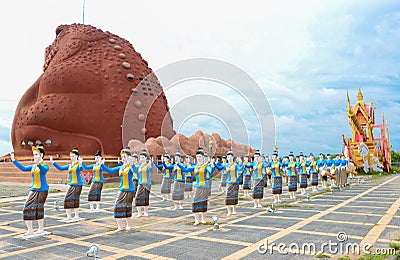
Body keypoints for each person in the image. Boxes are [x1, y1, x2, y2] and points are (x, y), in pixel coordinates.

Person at [10, 144, 49, 236]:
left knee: (39, 208)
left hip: (42, 190)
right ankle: (30, 230)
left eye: (36, 155)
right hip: (34, 189)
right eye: (34, 154)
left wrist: (39, 163)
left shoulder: (45, 166)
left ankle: (41, 229)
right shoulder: (33, 166)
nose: (34, 156)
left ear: (41, 156)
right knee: (27, 208)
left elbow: (43, 170)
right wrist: (14, 160)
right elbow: (23, 168)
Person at [102, 147, 137, 231]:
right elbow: (110, 170)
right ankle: (120, 226)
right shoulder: (120, 167)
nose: (123, 159)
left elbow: (136, 172)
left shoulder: (131, 167)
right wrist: (102, 164)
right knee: (117, 206)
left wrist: (132, 164)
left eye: (125, 157)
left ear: (128, 157)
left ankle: (128, 225)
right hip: (121, 189)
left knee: (127, 207)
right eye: (122, 157)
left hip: (130, 190)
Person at [51, 147, 84, 221]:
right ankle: (69, 216)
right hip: (71, 184)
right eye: (71, 156)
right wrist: (53, 162)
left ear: (77, 157)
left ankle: (76, 216)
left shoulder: (78, 164)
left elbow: (81, 169)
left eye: (73, 156)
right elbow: (61, 168)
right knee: (68, 200)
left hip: (78, 184)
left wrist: (81, 163)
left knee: (75, 200)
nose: (71, 158)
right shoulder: (69, 165)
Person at [187, 148, 213, 225]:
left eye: (200, 157)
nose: (198, 158)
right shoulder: (195, 166)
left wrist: (211, 165)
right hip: (197, 186)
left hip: (205, 186)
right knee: (195, 202)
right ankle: (197, 220)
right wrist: (177, 164)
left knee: (203, 202)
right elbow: (185, 169)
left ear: (202, 158)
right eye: (197, 157)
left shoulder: (205, 166)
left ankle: (203, 219)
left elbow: (210, 171)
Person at [223, 150, 244, 216]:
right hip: (229, 182)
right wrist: (213, 163)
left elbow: (240, 168)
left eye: (230, 156)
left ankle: (234, 210)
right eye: (228, 157)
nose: (229, 158)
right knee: (228, 197)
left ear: (233, 157)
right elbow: (219, 167)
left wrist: (242, 163)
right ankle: (229, 211)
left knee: (235, 196)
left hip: (235, 183)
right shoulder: (225, 165)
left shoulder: (235, 165)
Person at [135, 150, 153, 217]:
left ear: (146, 158)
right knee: (138, 197)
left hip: (147, 184)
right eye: (140, 158)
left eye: (143, 157)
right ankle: (139, 213)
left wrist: (149, 166)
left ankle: (145, 212)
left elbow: (150, 171)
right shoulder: (139, 166)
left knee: (146, 197)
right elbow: (134, 169)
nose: (141, 159)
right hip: (140, 183)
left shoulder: (147, 166)